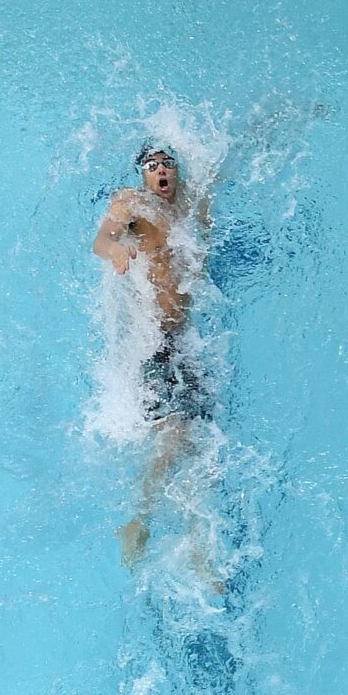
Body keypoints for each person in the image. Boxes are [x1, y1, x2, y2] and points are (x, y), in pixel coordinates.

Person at [91, 143, 217, 579]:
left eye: (168, 164)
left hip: (188, 343)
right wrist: (118, 251)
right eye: (152, 166)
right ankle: (138, 519)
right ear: (142, 174)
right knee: (176, 435)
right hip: (157, 344)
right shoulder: (133, 202)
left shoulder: (187, 206)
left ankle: (199, 552)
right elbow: (103, 238)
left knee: (201, 443)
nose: (161, 171)